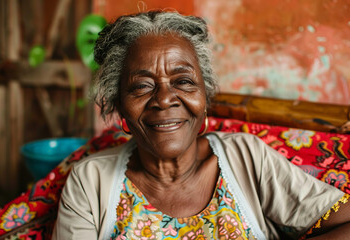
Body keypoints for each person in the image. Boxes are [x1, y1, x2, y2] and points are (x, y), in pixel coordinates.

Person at [52, 11, 350, 240]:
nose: (165, 99)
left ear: (204, 98)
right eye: (142, 86)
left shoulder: (246, 157)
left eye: (183, 81)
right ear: (120, 108)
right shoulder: (90, 182)